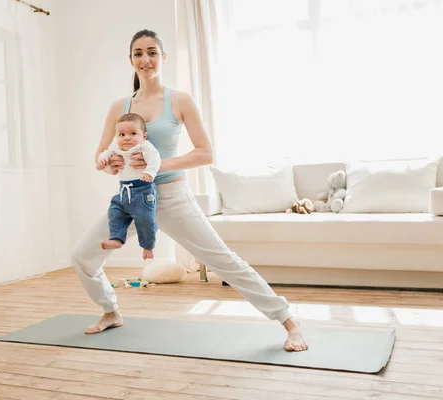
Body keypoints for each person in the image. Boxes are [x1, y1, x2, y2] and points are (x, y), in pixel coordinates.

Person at [71, 29, 309, 352]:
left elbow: (205, 152)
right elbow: (99, 156)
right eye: (138, 53)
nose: (145, 59)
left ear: (163, 57)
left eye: (152, 52)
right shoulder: (119, 107)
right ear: (131, 60)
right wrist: (110, 164)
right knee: (83, 256)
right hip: (130, 202)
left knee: (223, 260)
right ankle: (111, 311)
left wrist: (158, 166)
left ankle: (289, 322)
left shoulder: (179, 100)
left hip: (170, 197)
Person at [97, 112, 161, 260]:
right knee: (114, 213)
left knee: (145, 219)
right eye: (121, 134)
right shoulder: (115, 147)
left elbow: (154, 159)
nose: (127, 138)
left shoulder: (144, 147)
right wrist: (102, 161)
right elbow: (106, 153)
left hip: (143, 190)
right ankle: (116, 238)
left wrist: (150, 172)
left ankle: (148, 246)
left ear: (143, 136)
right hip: (123, 191)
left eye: (133, 133)